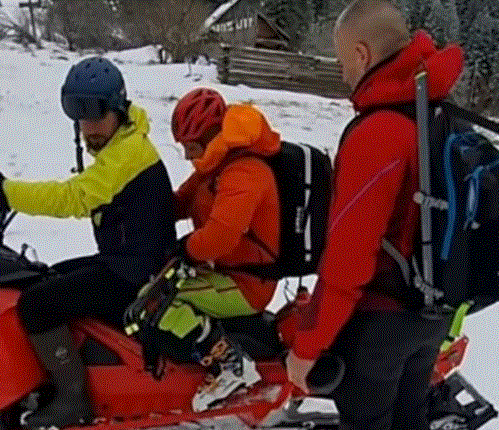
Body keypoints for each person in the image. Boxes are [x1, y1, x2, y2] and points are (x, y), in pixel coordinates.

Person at [0, 57, 176, 429]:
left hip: (136, 276)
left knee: (37, 304)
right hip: (128, 261)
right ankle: (44, 377)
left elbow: (73, 199)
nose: (88, 127)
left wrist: (5, 192)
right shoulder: (123, 144)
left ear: (118, 109)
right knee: (41, 278)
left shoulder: (126, 155)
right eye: (79, 115)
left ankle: (73, 400)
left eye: (95, 114)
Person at [285, 1, 464, 429]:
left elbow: (349, 260)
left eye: (344, 60)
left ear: (363, 54)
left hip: (380, 327)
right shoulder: (442, 113)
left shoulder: (380, 131)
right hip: (432, 316)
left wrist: (308, 346)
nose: (344, 74)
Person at [158, 87, 281, 411]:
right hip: (229, 273)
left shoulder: (245, 171)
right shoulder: (215, 165)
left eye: (191, 146)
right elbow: (183, 201)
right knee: (156, 287)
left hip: (248, 285)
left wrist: (185, 248)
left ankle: (230, 366)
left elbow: (222, 237)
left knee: (162, 302)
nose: (187, 155)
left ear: (212, 134)